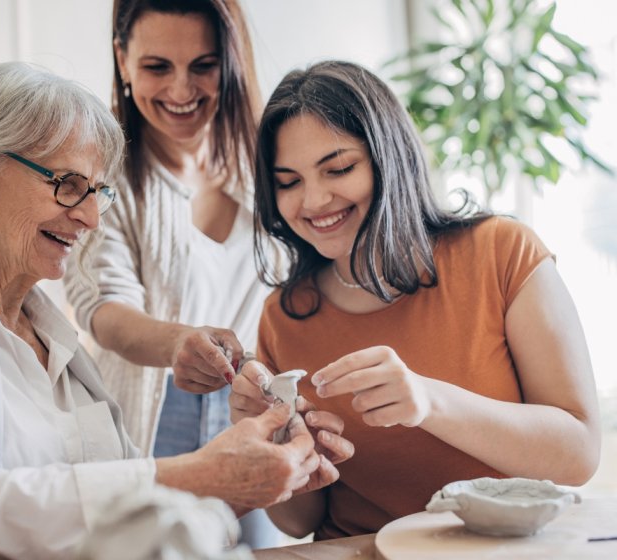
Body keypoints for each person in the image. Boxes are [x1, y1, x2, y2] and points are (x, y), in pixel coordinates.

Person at [0, 62, 353, 559]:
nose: (90, 219)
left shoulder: (51, 333)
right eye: (67, 185)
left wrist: (270, 475)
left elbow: (134, 516)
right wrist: (208, 475)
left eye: (98, 192)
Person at [229, 60, 601, 540]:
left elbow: (579, 454)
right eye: (288, 182)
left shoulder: (502, 253)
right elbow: (299, 522)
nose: (315, 200)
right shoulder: (285, 315)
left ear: (390, 158)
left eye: (338, 168)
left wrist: (430, 400)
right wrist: (270, 435)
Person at [64, 0, 283, 547]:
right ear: (122, 59)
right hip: (153, 417)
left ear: (229, 61)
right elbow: (105, 312)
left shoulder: (265, 164)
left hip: (253, 410)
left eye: (203, 66)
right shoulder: (105, 175)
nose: (182, 90)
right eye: (158, 67)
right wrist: (181, 343)